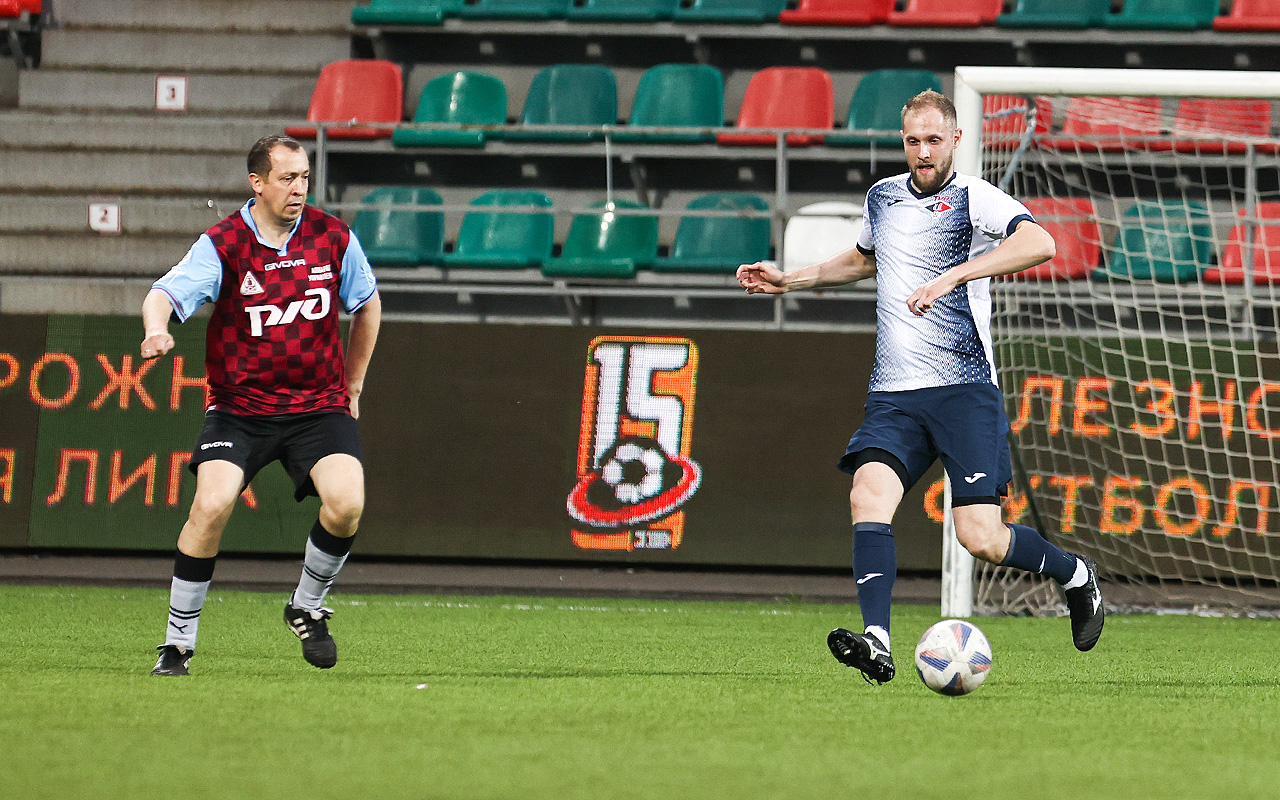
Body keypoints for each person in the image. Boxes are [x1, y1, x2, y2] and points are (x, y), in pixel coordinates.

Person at [736, 90, 1104, 685]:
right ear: (903, 142)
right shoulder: (882, 197)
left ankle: (1076, 575)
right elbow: (864, 260)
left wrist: (955, 274)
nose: (924, 151)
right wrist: (790, 280)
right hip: (895, 393)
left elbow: (1041, 243)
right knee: (867, 496)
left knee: (980, 537)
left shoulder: (975, 197)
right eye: (914, 141)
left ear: (955, 139)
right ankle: (878, 643)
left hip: (964, 390)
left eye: (934, 140)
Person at [141, 134, 381, 676]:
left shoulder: (333, 237)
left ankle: (306, 606)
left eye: (305, 177)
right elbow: (163, 294)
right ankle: (177, 644)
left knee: (347, 504)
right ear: (257, 183)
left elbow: (368, 306)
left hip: (317, 407)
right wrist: (156, 328)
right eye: (287, 178)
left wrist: (354, 385)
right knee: (211, 506)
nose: (299, 188)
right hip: (240, 409)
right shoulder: (224, 243)